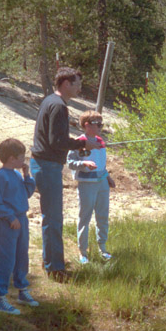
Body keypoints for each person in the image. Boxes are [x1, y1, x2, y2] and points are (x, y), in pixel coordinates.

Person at [30, 67, 102, 281]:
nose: (80, 88)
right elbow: (57, 141)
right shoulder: (59, 106)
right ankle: (56, 270)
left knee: (49, 217)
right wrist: (82, 144)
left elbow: (55, 139)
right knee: (53, 219)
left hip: (42, 164)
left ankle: (50, 261)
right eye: (77, 83)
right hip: (47, 167)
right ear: (66, 84)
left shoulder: (50, 101)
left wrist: (80, 144)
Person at [0, 138, 38, 314]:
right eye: (21, 157)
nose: (23, 160)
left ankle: (22, 291)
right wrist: (9, 217)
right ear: (11, 158)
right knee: (4, 259)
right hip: (8, 224)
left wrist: (27, 176)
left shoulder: (17, 175)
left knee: (21, 256)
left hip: (22, 220)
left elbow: (27, 193)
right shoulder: (0, 177)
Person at [67, 110, 116, 264]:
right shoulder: (78, 142)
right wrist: (83, 164)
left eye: (101, 124)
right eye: (98, 124)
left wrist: (108, 176)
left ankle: (103, 248)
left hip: (102, 183)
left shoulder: (101, 142)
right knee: (85, 218)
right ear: (87, 125)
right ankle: (83, 253)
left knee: (102, 216)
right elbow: (70, 163)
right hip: (86, 185)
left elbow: (102, 163)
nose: (100, 127)